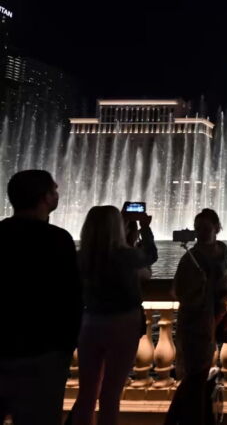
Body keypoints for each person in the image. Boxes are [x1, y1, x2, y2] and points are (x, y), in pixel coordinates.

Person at [0, 170, 82, 425]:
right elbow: (72, 297)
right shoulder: (58, 239)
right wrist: (66, 346)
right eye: (54, 190)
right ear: (45, 198)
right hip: (44, 355)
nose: (57, 194)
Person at [71, 206, 157, 425]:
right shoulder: (125, 255)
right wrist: (145, 229)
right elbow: (150, 256)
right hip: (123, 323)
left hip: (90, 323)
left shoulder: (81, 256)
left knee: (87, 392)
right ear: (117, 227)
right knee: (111, 393)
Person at [165, 209, 227, 425]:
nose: (202, 233)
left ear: (217, 228)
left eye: (206, 228)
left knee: (199, 378)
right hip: (195, 323)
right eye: (198, 229)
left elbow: (226, 279)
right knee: (195, 378)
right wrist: (200, 291)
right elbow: (178, 291)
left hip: (214, 320)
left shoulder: (222, 251)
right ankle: (182, 419)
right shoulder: (190, 258)